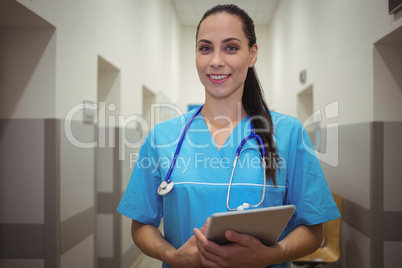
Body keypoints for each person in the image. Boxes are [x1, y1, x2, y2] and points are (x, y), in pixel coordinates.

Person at [117, 4, 340, 268]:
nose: (216, 61)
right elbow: (141, 225)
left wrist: (270, 255)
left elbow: (314, 230)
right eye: (205, 48)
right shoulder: (162, 138)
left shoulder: (289, 134)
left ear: (252, 54)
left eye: (231, 47)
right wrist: (172, 256)